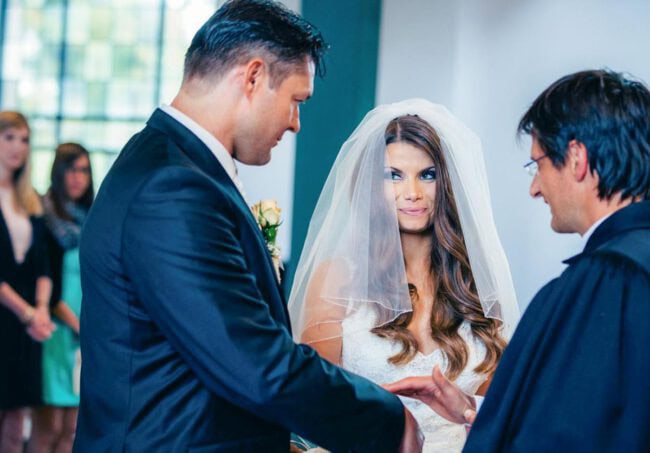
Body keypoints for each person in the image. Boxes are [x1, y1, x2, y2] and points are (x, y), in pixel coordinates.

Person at [74, 1, 422, 451]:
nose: (296, 124)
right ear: (253, 77)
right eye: (296, 101)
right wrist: (386, 421)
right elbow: (254, 361)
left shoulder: (167, 163)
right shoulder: (173, 187)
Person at [385, 69, 650, 452]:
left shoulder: (606, 280)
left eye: (537, 165)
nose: (535, 188)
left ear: (576, 159)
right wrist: (474, 409)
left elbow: (569, 435)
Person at [288, 99, 519, 452]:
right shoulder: (338, 280)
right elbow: (317, 402)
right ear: (370, 185)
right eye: (393, 175)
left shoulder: (476, 287)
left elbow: (498, 414)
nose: (412, 193)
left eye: (427, 175)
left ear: (448, 183)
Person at [29, 143, 94, 453]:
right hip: (55, 329)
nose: (77, 177)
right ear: (58, 172)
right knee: (49, 425)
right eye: (70, 169)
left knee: (73, 427)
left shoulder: (92, 219)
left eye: (83, 170)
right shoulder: (45, 216)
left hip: (84, 333)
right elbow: (46, 281)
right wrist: (77, 324)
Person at [0, 111, 55, 452]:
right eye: (9, 137)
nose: (17, 147)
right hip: (9, 315)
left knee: (17, 420)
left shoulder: (30, 198)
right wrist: (28, 313)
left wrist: (42, 309)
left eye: (24, 139)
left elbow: (43, 265)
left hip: (25, 325)